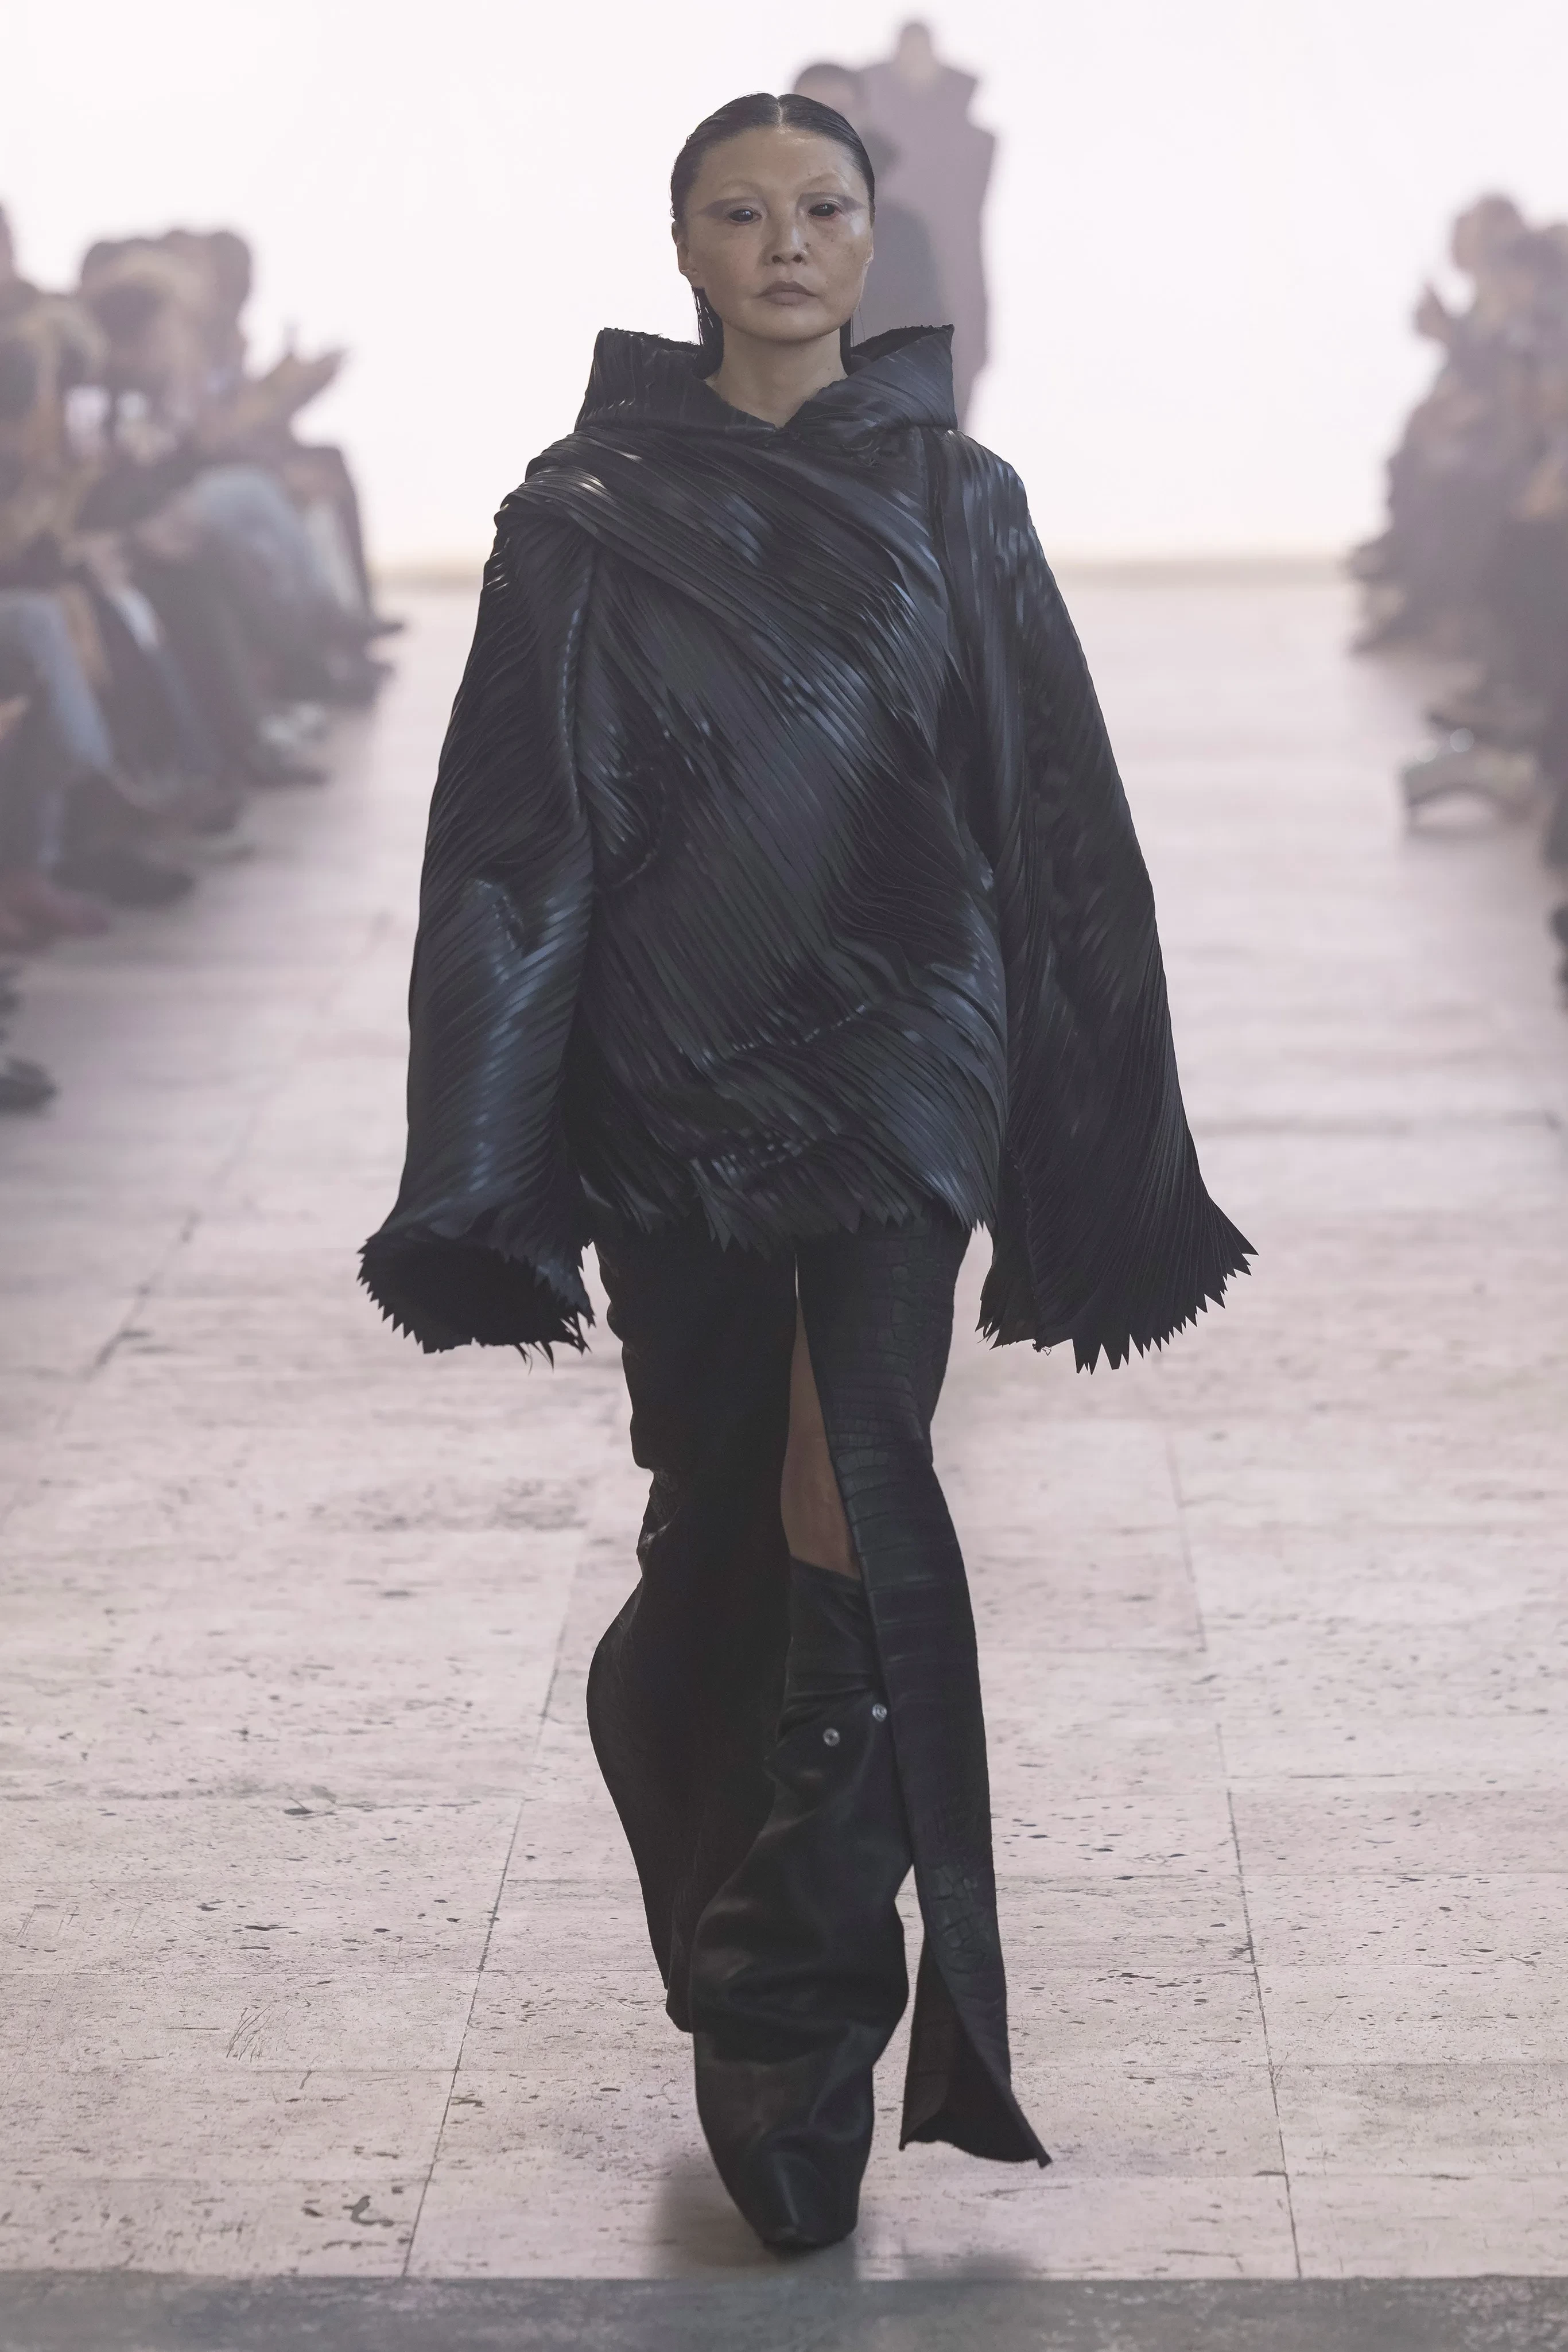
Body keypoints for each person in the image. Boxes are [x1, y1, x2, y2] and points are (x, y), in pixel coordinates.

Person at [360, 91, 1250, 2253]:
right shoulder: (578, 512)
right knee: (711, 1515)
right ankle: (724, 1854)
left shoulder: (959, 496)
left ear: (870, 242)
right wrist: (478, 1154)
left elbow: (1054, 815)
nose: (783, 241)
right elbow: (511, 838)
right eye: (740, 211)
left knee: (854, 1459)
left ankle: (792, 2000)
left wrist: (1088, 1124)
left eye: (819, 209)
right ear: (679, 247)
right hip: (667, 1056)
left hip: (900, 1037)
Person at [860, 24, 995, 425]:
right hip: (872, 286)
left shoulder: (972, 141)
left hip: (956, 292)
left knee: (945, 433)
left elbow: (967, 233)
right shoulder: (860, 133)